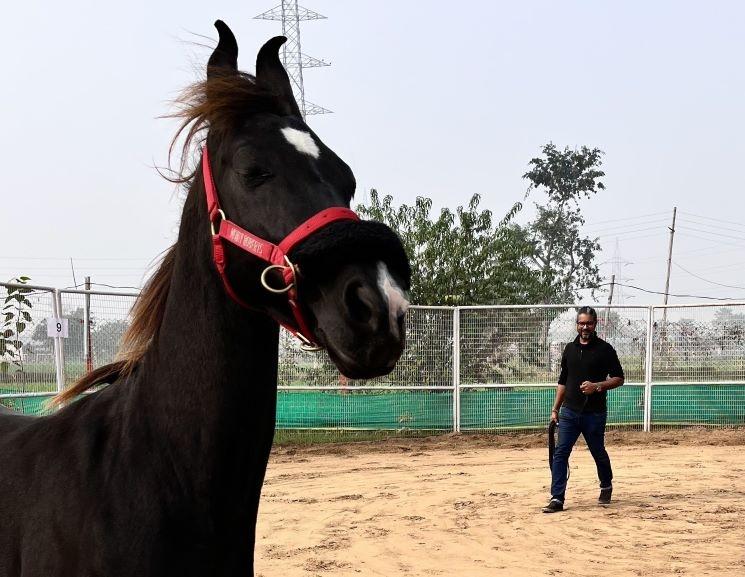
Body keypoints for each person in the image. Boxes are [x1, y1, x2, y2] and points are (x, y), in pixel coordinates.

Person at [542, 306, 625, 513]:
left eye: (588, 323)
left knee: (598, 452)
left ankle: (606, 485)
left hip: (594, 414)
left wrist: (597, 386)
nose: (585, 327)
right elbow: (563, 381)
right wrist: (555, 409)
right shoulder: (569, 349)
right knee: (560, 453)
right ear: (577, 325)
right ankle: (557, 498)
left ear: (595, 324)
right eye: (581, 323)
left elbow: (619, 379)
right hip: (569, 412)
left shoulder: (605, 350)